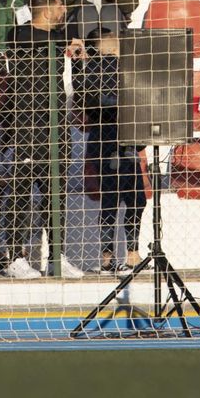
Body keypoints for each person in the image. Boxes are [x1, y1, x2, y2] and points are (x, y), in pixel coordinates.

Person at [0, 0, 84, 279]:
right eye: (60, 5)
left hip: (57, 127)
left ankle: (56, 257)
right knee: (21, 192)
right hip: (27, 127)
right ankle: (15, 257)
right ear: (48, 8)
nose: (64, 11)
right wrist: (68, 42)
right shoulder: (21, 35)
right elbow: (31, 39)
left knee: (56, 194)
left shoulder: (56, 39)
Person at [71, 28, 142, 273]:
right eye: (114, 39)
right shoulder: (102, 68)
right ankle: (108, 258)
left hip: (125, 140)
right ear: (105, 45)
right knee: (114, 199)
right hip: (108, 139)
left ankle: (131, 254)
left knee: (135, 199)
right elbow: (91, 100)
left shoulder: (110, 67)